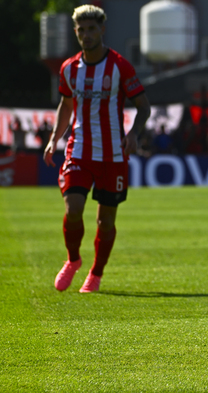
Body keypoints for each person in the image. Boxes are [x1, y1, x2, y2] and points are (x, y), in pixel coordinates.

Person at [43, 5, 150, 293]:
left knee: (105, 221)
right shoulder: (69, 68)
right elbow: (66, 104)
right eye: (81, 30)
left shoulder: (119, 66)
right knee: (74, 207)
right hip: (78, 150)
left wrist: (134, 134)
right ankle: (73, 259)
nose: (86, 34)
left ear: (102, 30)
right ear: (76, 32)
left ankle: (96, 274)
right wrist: (55, 138)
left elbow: (143, 107)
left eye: (91, 29)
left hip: (113, 154)